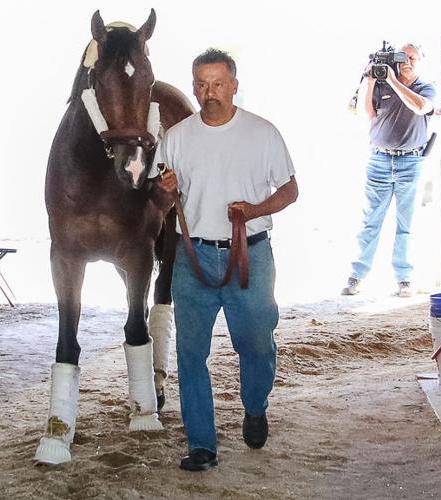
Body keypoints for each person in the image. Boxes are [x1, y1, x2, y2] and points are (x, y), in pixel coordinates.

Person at [152, 48, 298, 471]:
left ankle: (255, 405)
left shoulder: (262, 133)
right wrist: (165, 189)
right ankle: (202, 444)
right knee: (190, 353)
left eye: (217, 84)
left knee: (255, 343)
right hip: (193, 256)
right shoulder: (177, 137)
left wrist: (253, 210)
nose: (208, 92)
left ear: (234, 85)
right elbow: (161, 199)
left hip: (249, 254)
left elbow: (290, 190)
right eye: (201, 84)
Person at [342, 43, 436, 297]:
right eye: (402, 58)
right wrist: (370, 80)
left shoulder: (426, 87)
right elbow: (365, 113)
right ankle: (356, 275)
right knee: (370, 221)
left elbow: (420, 107)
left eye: (412, 58)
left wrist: (394, 81)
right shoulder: (382, 84)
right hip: (379, 160)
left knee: (405, 224)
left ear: (420, 61)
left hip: (410, 162)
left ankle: (404, 278)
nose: (407, 62)